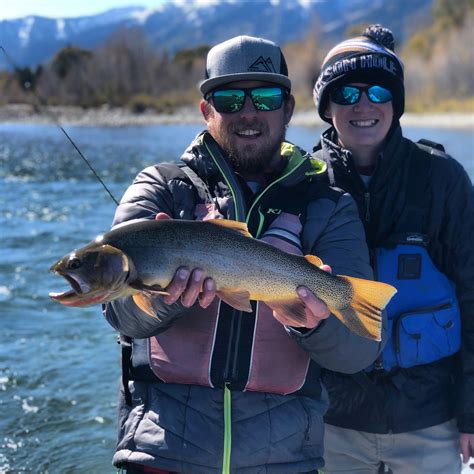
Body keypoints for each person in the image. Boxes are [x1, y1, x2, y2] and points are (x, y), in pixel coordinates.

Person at [103, 35, 384, 473]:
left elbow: (358, 353)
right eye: (230, 98)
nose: (248, 112)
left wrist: (314, 326)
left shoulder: (329, 205)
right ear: (206, 110)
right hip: (162, 453)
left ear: (288, 109)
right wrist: (160, 299)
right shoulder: (159, 187)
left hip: (285, 460)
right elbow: (117, 311)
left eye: (266, 97)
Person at [312, 24, 474, 473]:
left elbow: (473, 296)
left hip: (432, 420)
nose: (363, 105)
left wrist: (471, 412)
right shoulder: (302, 183)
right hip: (331, 421)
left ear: (396, 103)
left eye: (379, 91)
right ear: (327, 106)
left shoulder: (443, 179)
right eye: (346, 94)